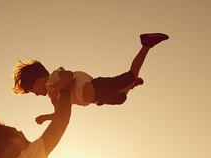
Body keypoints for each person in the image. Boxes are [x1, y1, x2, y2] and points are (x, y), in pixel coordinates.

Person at [12, 33, 169, 124]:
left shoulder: (53, 79)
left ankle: (146, 44)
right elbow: (60, 114)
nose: (36, 94)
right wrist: (46, 117)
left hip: (96, 86)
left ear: (36, 80)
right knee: (121, 99)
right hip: (97, 99)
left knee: (130, 74)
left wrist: (57, 90)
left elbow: (70, 75)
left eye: (32, 90)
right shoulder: (53, 95)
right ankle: (132, 85)